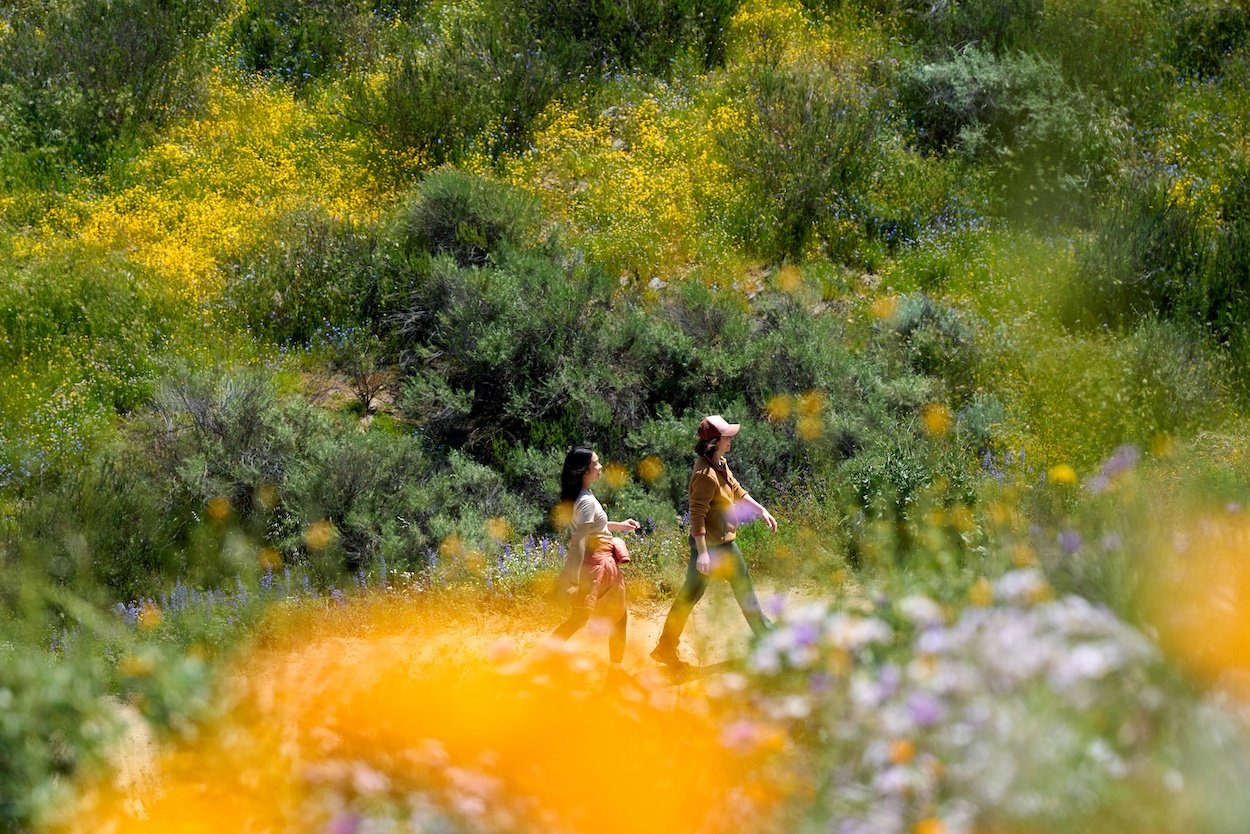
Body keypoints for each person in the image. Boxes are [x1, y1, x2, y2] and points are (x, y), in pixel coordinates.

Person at [651, 415, 777, 670]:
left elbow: (736, 488)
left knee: (743, 590)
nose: (731, 439)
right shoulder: (705, 474)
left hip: (725, 543)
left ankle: (769, 640)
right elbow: (696, 515)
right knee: (690, 595)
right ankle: (665, 647)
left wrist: (760, 509)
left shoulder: (719, 463)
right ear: (715, 442)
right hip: (710, 548)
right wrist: (703, 554)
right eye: (727, 437)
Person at [550, 445, 641, 679]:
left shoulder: (579, 498)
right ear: (584, 472)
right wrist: (574, 579)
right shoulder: (587, 501)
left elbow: (593, 529)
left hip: (591, 563)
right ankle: (615, 673)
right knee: (620, 617)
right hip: (600, 566)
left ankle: (544, 660)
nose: (600, 467)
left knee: (578, 618)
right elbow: (580, 540)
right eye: (596, 464)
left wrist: (620, 525)